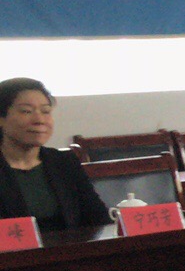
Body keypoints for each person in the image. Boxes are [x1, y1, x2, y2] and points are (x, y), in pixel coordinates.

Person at [0, 78, 109, 230]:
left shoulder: (64, 161)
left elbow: (98, 219)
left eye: (46, 111)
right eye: (26, 111)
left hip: (71, 245)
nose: (39, 120)